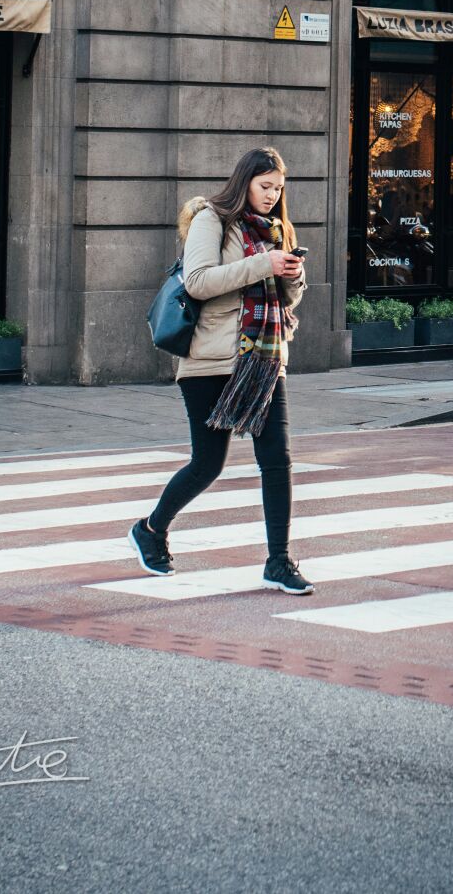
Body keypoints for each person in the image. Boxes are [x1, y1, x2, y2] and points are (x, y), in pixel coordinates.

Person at [128, 147, 314, 594]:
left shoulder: (278, 229)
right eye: (264, 186)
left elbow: (287, 300)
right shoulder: (212, 219)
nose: (272, 195)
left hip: (264, 360)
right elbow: (198, 281)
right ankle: (151, 529)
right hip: (210, 361)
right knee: (207, 464)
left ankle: (279, 561)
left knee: (277, 460)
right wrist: (261, 264)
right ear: (245, 181)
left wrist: (290, 274)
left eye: (278, 189)